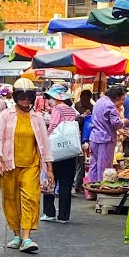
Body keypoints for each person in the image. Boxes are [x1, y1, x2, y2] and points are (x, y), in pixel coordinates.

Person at [0, 86, 53, 253]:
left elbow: (44, 143)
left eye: (29, 97)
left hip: (31, 165)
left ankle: (26, 237)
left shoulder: (37, 117)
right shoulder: (5, 115)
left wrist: (49, 167)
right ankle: (16, 234)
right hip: (8, 165)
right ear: (16, 97)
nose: (25, 100)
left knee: (30, 198)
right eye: (22, 96)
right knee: (10, 199)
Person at [41, 84, 79, 224]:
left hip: (56, 151)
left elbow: (53, 126)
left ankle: (49, 212)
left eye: (50, 98)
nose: (49, 101)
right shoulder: (72, 110)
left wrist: (46, 139)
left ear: (54, 97)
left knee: (50, 181)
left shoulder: (57, 109)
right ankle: (63, 215)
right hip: (70, 150)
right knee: (66, 184)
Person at [86, 86, 126, 197]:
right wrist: (123, 121)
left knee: (93, 165)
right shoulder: (110, 105)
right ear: (116, 96)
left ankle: (92, 192)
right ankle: (101, 193)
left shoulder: (99, 102)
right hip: (105, 139)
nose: (122, 101)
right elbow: (115, 123)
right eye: (121, 98)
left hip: (94, 138)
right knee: (104, 167)